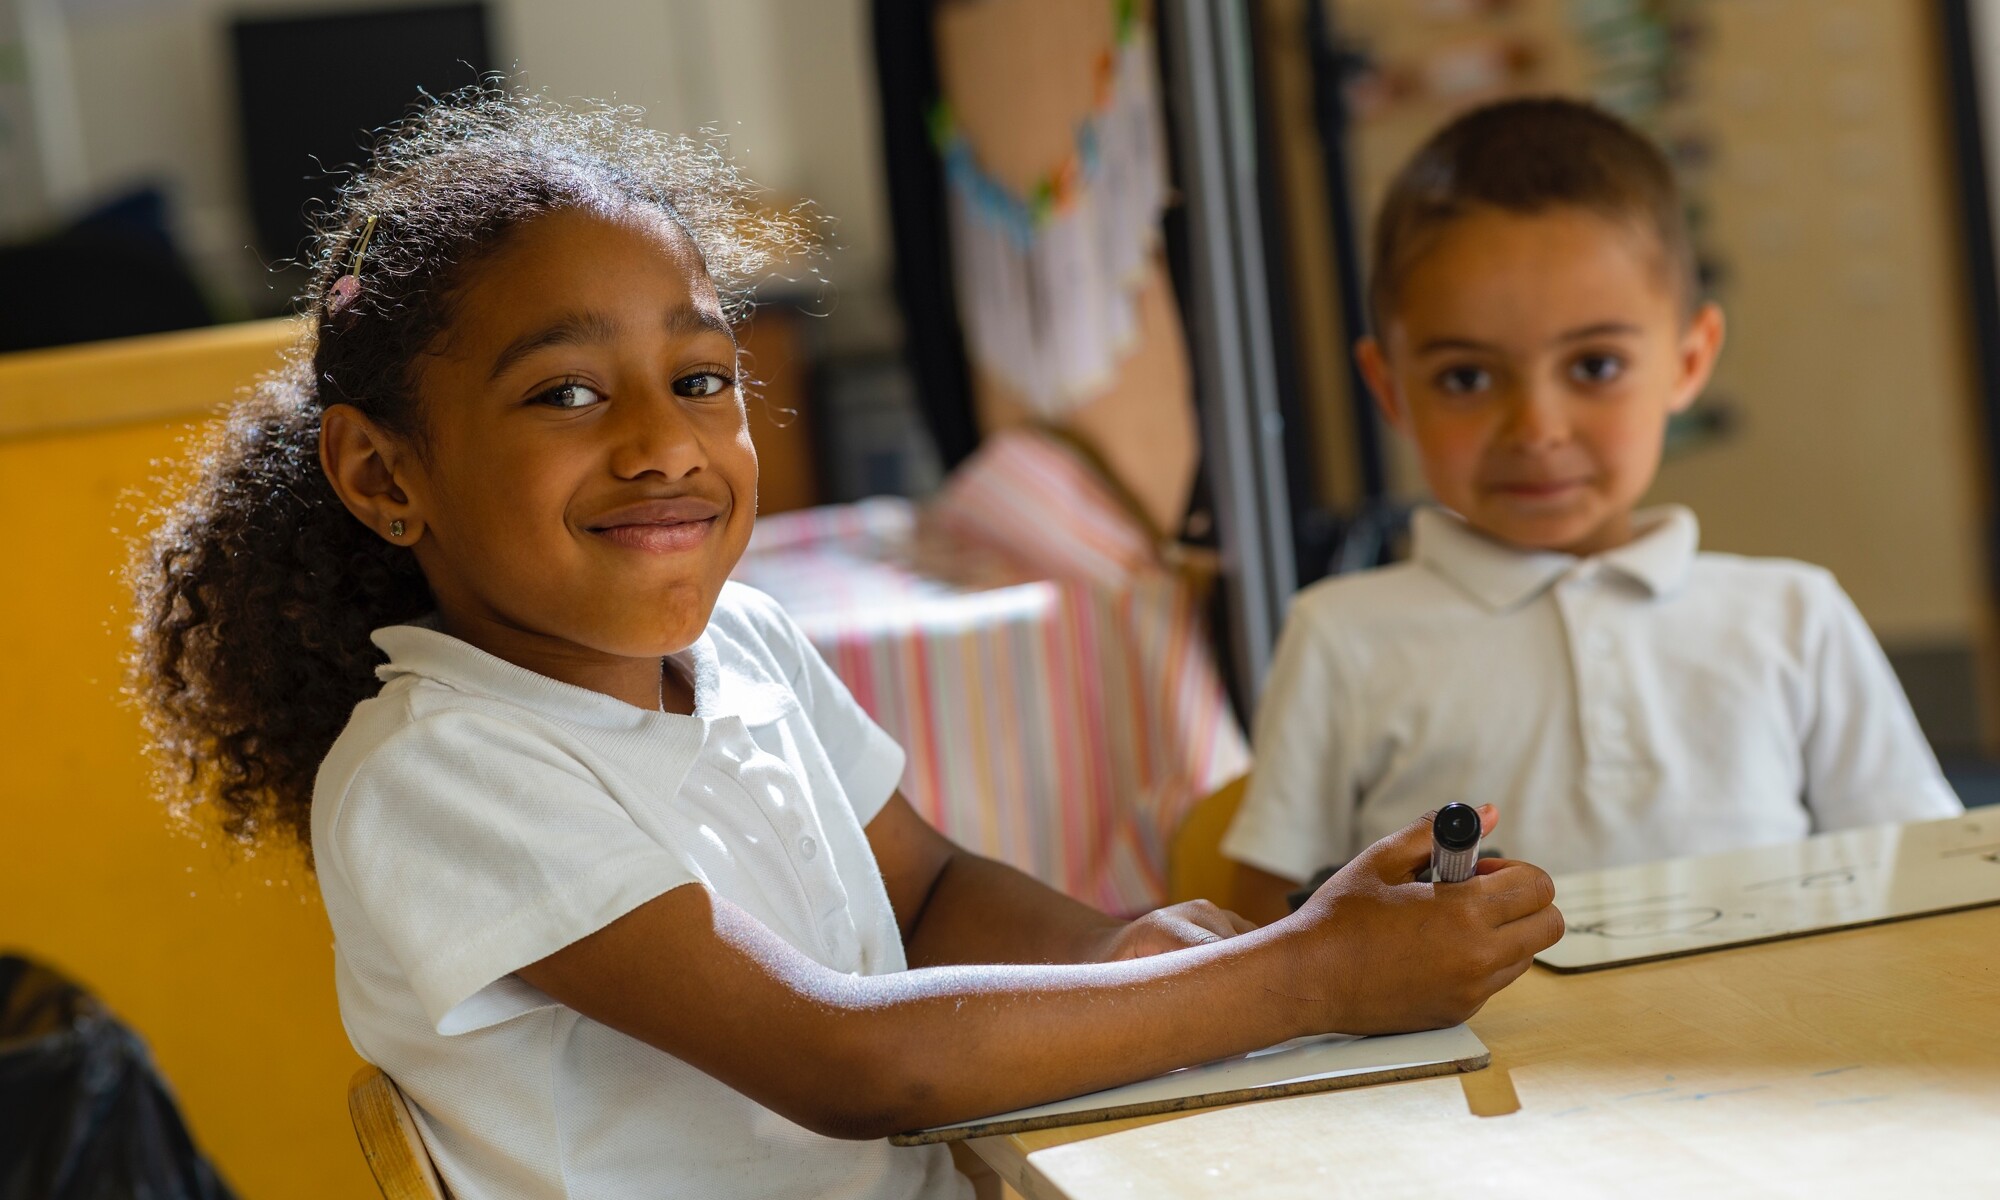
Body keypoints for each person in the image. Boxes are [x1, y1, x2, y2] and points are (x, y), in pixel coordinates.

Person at [127, 89, 1564, 1200]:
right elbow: (850, 1061)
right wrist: (1296, 977)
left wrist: (1134, 960)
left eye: (700, 379)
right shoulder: (444, 770)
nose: (661, 446)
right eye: (566, 394)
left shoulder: (744, 640)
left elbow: (928, 894)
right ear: (386, 477)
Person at [1225, 97, 1962, 925]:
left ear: (1688, 362)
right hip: (1488, 1059)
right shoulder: (1340, 635)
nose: (1537, 430)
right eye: (1466, 377)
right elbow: (1265, 929)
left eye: (1596, 365)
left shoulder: (1795, 616)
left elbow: (1928, 879)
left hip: (1785, 1048)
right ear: (1390, 389)